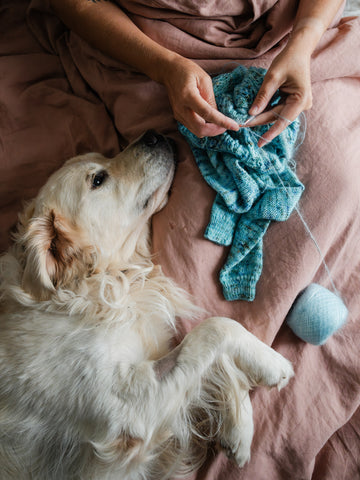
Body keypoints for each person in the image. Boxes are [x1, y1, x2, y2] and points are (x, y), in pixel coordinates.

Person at [49, 0, 343, 146]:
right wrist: (165, 67)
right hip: (144, 46)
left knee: (338, 183)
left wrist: (303, 42)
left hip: (294, 33)